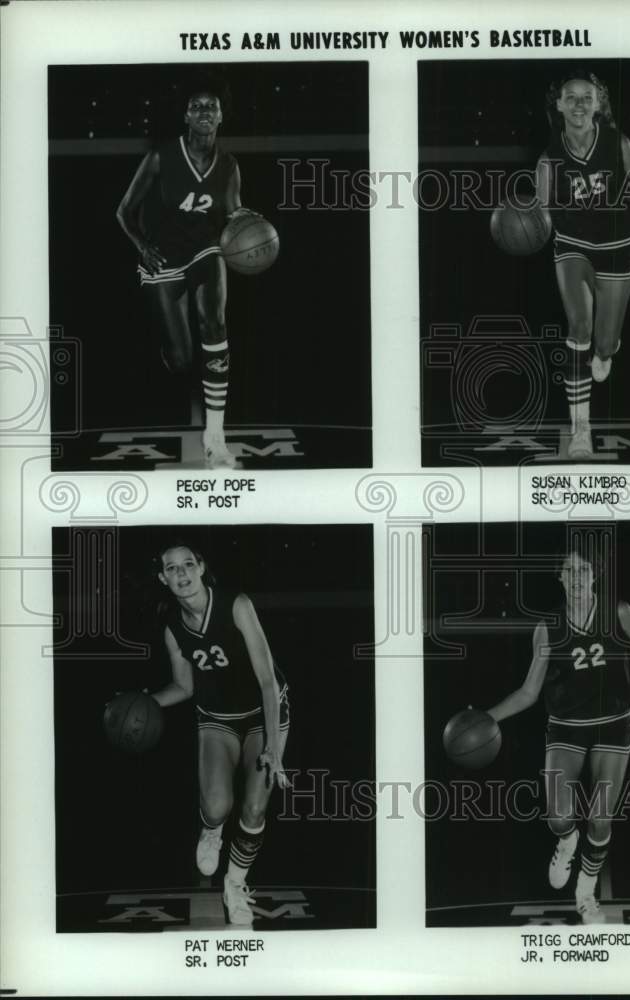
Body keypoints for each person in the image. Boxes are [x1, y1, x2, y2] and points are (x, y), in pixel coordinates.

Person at [487, 536, 630, 924]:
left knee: (601, 817)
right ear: (559, 577)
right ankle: (567, 841)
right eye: (569, 571)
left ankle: (586, 892)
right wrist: (489, 717)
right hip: (567, 726)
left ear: (595, 574)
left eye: (583, 569)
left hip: (613, 725)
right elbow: (528, 692)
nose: (576, 577)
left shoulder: (618, 612)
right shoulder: (548, 628)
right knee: (557, 817)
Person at [150, 541, 290, 926]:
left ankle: (235, 883)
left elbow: (266, 680)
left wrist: (274, 749)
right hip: (216, 717)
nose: (182, 573)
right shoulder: (173, 627)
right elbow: (184, 687)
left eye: (188, 564)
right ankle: (211, 831)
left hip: (264, 713)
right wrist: (145, 704)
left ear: (201, 567)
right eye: (172, 568)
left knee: (256, 807)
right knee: (216, 807)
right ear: (163, 578)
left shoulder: (236, 604)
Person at [535, 71, 630, 459]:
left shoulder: (618, 144)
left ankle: (606, 352)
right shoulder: (548, 161)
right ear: (558, 105)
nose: (578, 104)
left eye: (586, 97)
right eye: (570, 97)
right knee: (578, 326)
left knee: (605, 343)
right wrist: (522, 226)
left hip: (618, 246)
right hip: (573, 245)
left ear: (598, 104)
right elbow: (541, 222)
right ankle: (581, 429)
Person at [116, 78, 252, 469]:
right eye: (197, 106)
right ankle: (172, 351)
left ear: (222, 116)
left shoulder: (229, 165)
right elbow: (124, 211)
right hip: (163, 258)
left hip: (206, 249)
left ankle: (216, 435)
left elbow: (232, 213)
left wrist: (248, 224)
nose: (205, 111)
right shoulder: (161, 157)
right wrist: (143, 246)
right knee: (180, 359)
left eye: (212, 106)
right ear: (186, 116)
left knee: (215, 323)